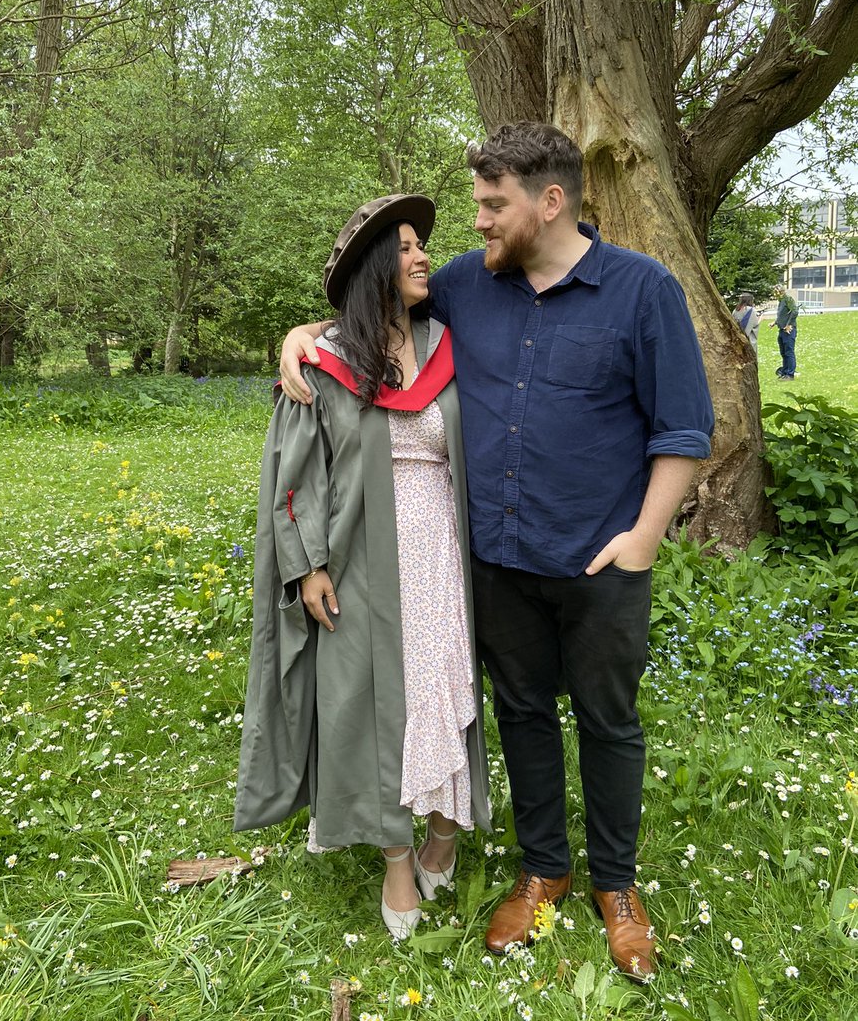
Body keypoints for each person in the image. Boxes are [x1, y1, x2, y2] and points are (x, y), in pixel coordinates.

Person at [279, 123, 714, 980]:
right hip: (499, 560)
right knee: (520, 712)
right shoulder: (466, 287)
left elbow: (685, 429)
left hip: (601, 560)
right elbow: (370, 302)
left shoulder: (642, 291)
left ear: (549, 202)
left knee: (608, 720)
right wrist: (297, 334)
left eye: (491, 203)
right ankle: (544, 868)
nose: (477, 222)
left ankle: (618, 888)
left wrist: (642, 541)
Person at [234, 194, 490, 941]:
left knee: (445, 690)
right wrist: (308, 563)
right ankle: (398, 859)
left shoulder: (447, 339)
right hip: (359, 559)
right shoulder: (326, 363)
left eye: (421, 246)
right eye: (405, 247)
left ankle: (444, 829)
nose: (421, 256)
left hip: (440, 554)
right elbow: (294, 474)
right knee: (382, 705)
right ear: (377, 266)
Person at [767, 283, 798, 378]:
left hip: (789, 330)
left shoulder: (788, 299)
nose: (774, 294)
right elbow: (782, 315)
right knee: (783, 352)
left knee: (789, 352)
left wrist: (788, 324)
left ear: (780, 291)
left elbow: (794, 312)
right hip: (781, 330)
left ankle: (790, 374)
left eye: (775, 292)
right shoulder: (781, 301)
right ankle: (784, 372)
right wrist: (775, 322)